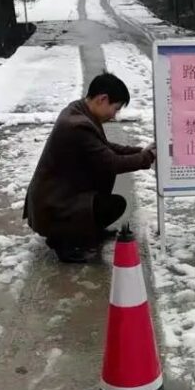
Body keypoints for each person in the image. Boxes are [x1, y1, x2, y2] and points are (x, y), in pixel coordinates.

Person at [23, 72, 155, 263]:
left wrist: (140, 151)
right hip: (54, 206)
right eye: (115, 109)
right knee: (113, 205)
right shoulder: (77, 125)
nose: (114, 115)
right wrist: (147, 158)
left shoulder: (79, 111)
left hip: (57, 198)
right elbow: (111, 163)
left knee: (109, 204)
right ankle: (62, 241)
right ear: (103, 99)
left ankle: (84, 231)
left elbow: (105, 147)